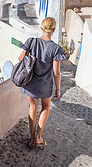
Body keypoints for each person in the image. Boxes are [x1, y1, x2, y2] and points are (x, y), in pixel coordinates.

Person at [19, 17, 67, 149]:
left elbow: (20, 58)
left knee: (33, 108)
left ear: (41, 28)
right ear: (54, 30)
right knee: (45, 107)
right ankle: (39, 137)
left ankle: (32, 138)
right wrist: (58, 89)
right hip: (45, 84)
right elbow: (56, 72)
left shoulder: (31, 41)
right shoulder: (56, 48)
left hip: (30, 82)